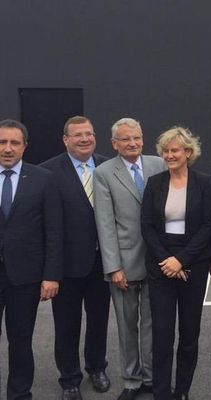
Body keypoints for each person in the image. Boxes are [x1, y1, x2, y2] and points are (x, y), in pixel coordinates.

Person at [141, 127, 211, 400]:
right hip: (161, 264)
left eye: (175, 150)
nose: (170, 155)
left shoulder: (204, 183)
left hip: (192, 263)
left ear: (188, 152)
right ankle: (161, 393)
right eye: (166, 151)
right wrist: (167, 260)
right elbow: (147, 226)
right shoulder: (154, 183)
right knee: (162, 334)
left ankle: (182, 390)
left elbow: (209, 225)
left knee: (189, 333)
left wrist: (182, 259)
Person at [40, 116, 111, 400]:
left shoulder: (108, 166)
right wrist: (50, 271)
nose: (85, 139)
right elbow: (49, 226)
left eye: (89, 134)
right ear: (65, 139)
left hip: (102, 263)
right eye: (78, 135)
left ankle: (97, 367)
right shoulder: (48, 172)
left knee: (99, 320)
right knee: (67, 324)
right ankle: (69, 378)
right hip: (67, 266)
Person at [94, 118, 165, 400]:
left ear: (143, 138)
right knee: (127, 325)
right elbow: (105, 224)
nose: (132, 143)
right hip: (123, 263)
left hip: (157, 260)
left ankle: (150, 377)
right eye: (125, 139)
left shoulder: (159, 164)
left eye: (136, 137)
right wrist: (114, 267)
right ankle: (132, 380)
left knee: (152, 324)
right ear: (114, 144)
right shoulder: (103, 173)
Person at [0, 119, 63, 400]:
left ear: (24, 146)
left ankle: (19, 393)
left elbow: (53, 230)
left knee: (21, 340)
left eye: (14, 142)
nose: (7, 148)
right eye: (2, 142)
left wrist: (51, 275)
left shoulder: (42, 178)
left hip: (24, 277)